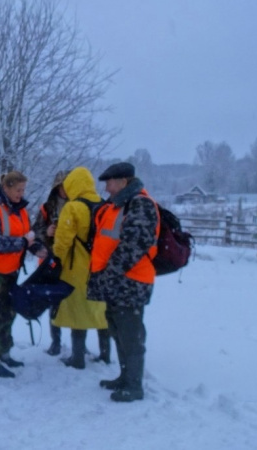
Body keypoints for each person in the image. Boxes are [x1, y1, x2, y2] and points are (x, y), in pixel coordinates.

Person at [87, 162, 159, 402]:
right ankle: (125, 377)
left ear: (123, 182)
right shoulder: (118, 206)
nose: (106, 188)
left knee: (131, 333)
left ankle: (134, 385)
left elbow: (134, 246)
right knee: (118, 331)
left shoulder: (140, 204)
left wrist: (109, 273)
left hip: (131, 281)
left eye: (109, 182)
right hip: (117, 282)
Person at [0, 170, 47, 378]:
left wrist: (34, 248)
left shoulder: (19, 210)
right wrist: (23, 243)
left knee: (8, 312)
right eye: (17, 190)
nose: (21, 194)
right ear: (6, 188)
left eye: (23, 190)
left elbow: (24, 237)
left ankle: (4, 352)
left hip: (9, 271)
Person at [51, 167, 110, 369]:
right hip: (102, 267)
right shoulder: (106, 206)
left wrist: (55, 260)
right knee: (101, 311)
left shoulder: (73, 208)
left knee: (78, 312)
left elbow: (62, 242)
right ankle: (105, 354)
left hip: (77, 268)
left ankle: (77, 358)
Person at [32, 170, 68, 356]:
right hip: (51, 262)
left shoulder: (81, 206)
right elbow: (34, 233)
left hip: (73, 262)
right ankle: (56, 341)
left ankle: (79, 343)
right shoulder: (47, 208)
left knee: (76, 302)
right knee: (54, 303)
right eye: (62, 185)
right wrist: (47, 231)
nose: (65, 189)